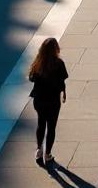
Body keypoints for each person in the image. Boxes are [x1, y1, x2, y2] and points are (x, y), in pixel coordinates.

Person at [28, 37, 68, 165]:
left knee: (41, 123)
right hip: (53, 100)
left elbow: (31, 78)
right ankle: (48, 154)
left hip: (39, 99)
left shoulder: (38, 62)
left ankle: (39, 149)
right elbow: (62, 80)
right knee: (51, 127)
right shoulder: (58, 63)